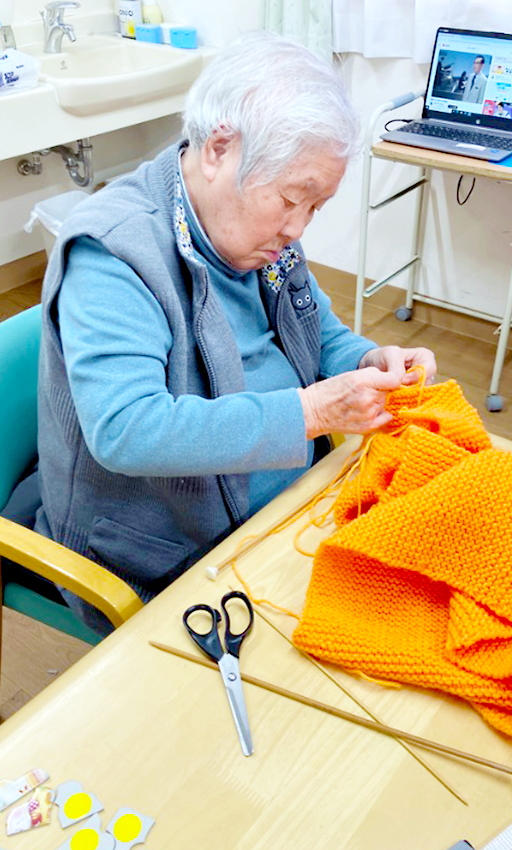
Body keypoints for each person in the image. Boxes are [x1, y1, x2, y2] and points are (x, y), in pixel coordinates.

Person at [35, 30, 437, 636]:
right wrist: (311, 412)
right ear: (219, 149)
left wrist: (372, 362)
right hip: (165, 546)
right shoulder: (114, 252)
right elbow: (127, 430)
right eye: (292, 200)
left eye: (316, 207)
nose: (298, 228)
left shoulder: (258, 236)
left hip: (289, 503)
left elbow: (319, 335)